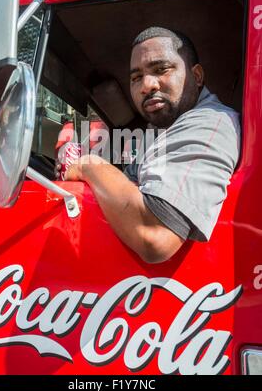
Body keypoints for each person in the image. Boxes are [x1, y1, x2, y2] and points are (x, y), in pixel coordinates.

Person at [64, 27, 241, 264]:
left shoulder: (210, 123)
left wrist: (89, 165)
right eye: (136, 78)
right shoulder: (165, 133)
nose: (147, 85)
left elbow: (155, 235)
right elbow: (130, 184)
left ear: (196, 76)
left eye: (161, 69)